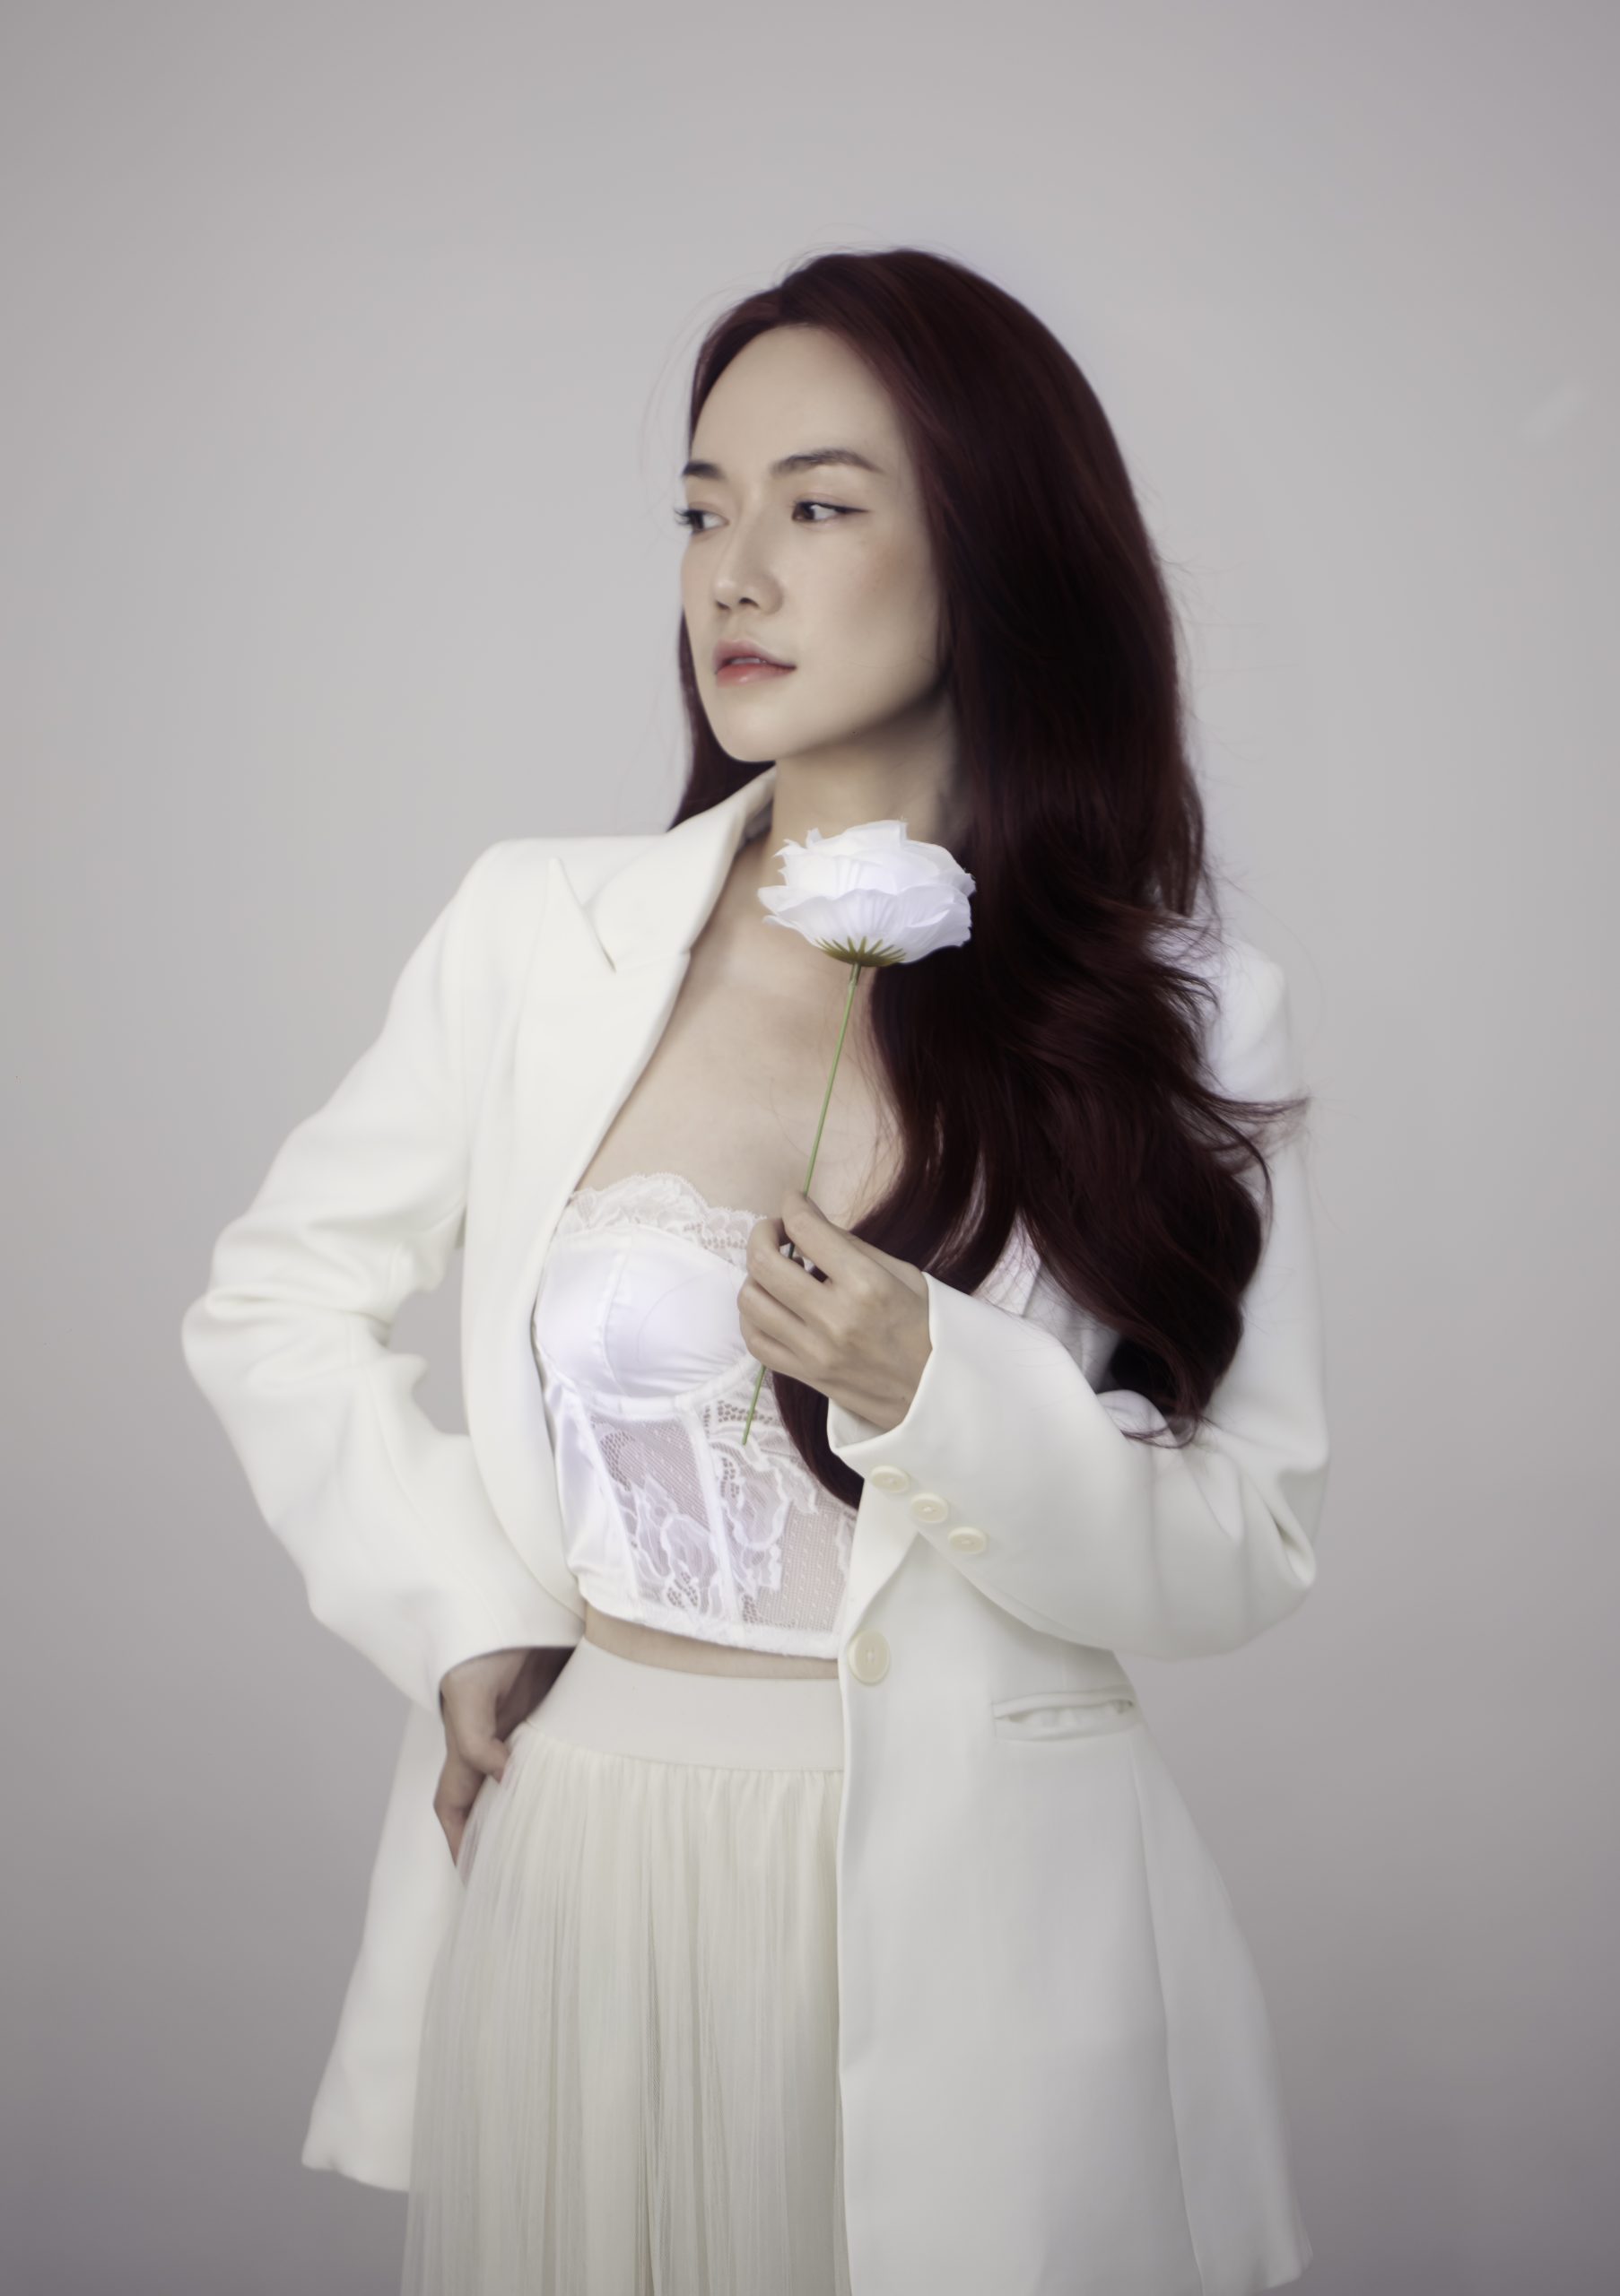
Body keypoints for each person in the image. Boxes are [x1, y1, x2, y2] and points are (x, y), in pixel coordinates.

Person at [182, 247, 1329, 2296]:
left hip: (984, 1925)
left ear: (992, 550)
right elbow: (275, 1295)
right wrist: (465, 1615)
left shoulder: (1179, 1011)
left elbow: (1245, 1543)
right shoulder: (540, 932)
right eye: (703, 508)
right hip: (587, 1873)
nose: (736, 571)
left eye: (818, 504)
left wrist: (934, 1388)